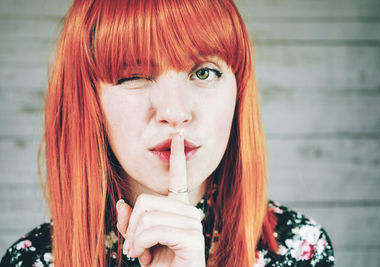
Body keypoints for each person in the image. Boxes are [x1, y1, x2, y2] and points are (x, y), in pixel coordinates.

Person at [0, 0, 334, 266]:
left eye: (204, 72)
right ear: (89, 102)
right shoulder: (30, 261)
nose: (175, 113)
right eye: (133, 76)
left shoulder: (299, 249)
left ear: (238, 91)